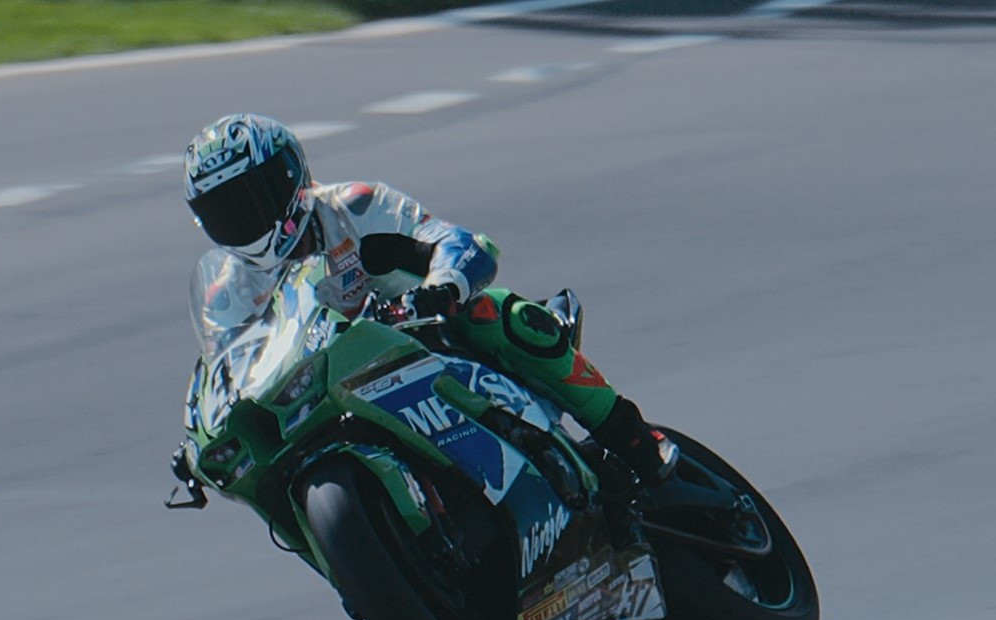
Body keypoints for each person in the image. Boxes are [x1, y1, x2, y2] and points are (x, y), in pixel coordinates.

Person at [176, 112, 674, 485]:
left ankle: (634, 441)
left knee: (500, 314)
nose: (247, 219)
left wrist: (441, 288)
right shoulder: (228, 292)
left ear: (289, 177)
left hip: (422, 342)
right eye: (226, 211)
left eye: (254, 197)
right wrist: (200, 441)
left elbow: (457, 243)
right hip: (323, 400)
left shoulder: (352, 205)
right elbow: (228, 370)